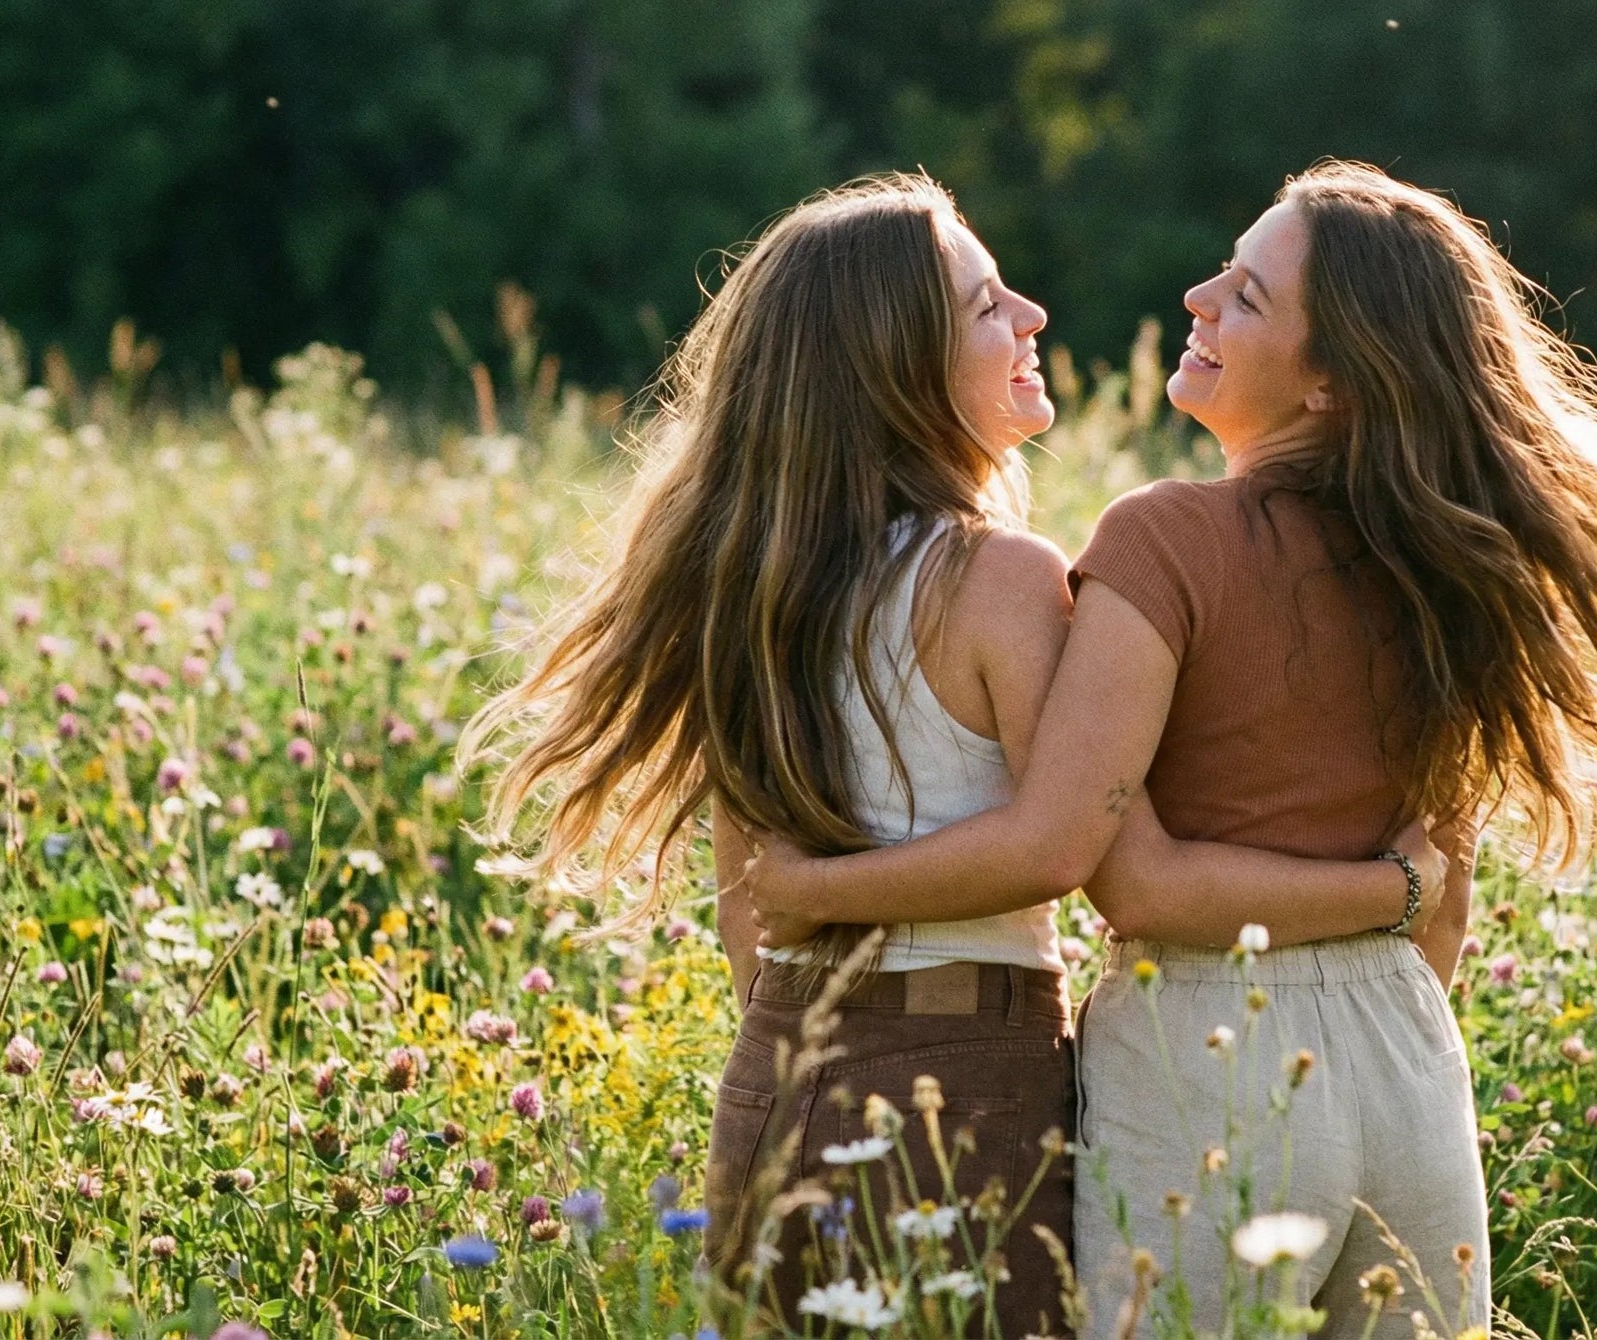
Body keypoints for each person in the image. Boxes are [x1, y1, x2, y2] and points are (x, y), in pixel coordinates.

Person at [748, 161, 1597, 1338]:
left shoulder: (1162, 541)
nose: (1200, 295)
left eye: (1248, 296)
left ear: (1330, 386)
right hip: (1407, 1054)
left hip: (1210, 1048)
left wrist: (812, 893)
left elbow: (1122, 871)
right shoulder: (1449, 575)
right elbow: (1442, 904)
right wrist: (1387, 909)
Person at [460, 173, 1426, 1338]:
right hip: (963, 1069)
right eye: (983, 307)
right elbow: (1064, 840)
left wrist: (814, 975)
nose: (1031, 315)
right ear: (895, 364)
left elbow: (743, 914)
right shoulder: (999, 576)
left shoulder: (744, 584)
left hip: (779, 1058)